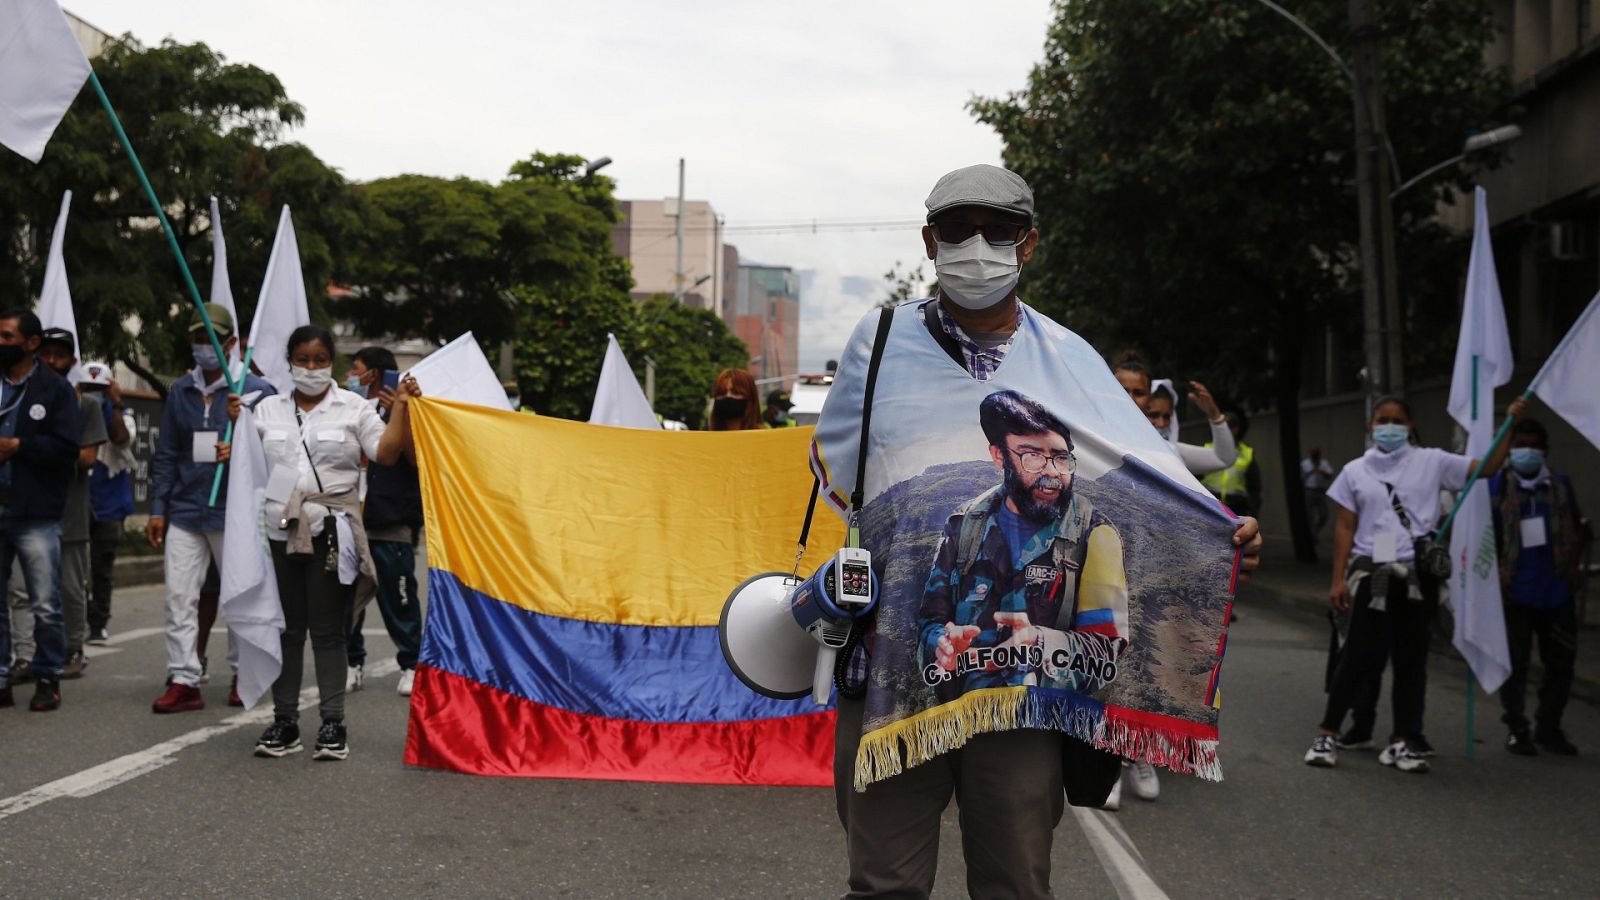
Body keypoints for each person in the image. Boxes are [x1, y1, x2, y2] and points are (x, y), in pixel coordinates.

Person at [821, 165, 1263, 897]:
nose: (976, 246)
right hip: (895, 661)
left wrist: (1220, 527)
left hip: (1022, 678)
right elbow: (841, 479)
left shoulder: (1071, 359)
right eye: (958, 230)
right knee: (883, 884)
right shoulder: (880, 342)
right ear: (929, 240)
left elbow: (1142, 473)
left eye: (997, 231)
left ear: (1028, 246)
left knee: (1016, 880)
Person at [225, 325, 419, 760]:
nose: (310, 368)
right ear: (289, 361)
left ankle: (333, 724)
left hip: (333, 532)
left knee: (329, 632)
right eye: (302, 360)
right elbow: (245, 466)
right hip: (278, 532)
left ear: (331, 362)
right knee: (287, 630)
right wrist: (232, 433)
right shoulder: (264, 411)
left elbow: (386, 454)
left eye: (319, 360)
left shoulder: (354, 408)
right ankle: (285, 721)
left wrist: (402, 408)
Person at [1304, 394, 1523, 774]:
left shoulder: (1432, 461)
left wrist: (1512, 425)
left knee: (1411, 661)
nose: (1389, 426)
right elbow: (1345, 527)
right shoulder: (1355, 471)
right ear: (1371, 426)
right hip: (1372, 574)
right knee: (1355, 657)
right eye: (1382, 419)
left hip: (1415, 578)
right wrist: (1337, 580)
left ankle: (1403, 741)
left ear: (1410, 426)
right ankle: (1327, 734)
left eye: (1397, 419)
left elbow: (1486, 469)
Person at [917, 390, 1128, 703]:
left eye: (1060, 457)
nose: (1052, 473)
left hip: (1047, 724)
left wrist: (1040, 644)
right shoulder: (964, 525)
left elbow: (1107, 650)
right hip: (964, 719)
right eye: (1032, 457)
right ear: (999, 455)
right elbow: (930, 622)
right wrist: (942, 645)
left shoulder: (1095, 534)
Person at [147, 304, 276, 713]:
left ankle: (244, 673)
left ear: (231, 342)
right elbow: (167, 453)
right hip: (186, 510)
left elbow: (274, 450)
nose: (204, 346)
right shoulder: (180, 391)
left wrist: (239, 447)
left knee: (239, 593)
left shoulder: (255, 389)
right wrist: (157, 508)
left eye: (212, 338)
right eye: (198, 338)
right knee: (179, 596)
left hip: (233, 512)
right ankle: (185, 677)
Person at [0, 309, 81, 712]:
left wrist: (19, 447)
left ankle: (48, 675)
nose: (1, 343)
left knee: (44, 601)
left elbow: (69, 450)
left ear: (30, 344)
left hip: (35, 511)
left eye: (7, 337)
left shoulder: (56, 390)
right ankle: (1, 678)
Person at [1491, 418, 1586, 756]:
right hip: (1514, 591)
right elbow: (1484, 535)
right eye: (1519, 445)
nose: (1526, 451)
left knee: (1560, 663)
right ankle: (1517, 727)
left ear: (1545, 449)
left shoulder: (1560, 485)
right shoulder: (1498, 486)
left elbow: (1577, 527)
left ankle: (1549, 727)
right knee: (1514, 664)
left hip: (1555, 591)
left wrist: (1573, 567)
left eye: (1533, 445)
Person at [343, 346, 425, 698]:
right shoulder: (347, 408)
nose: (350, 374)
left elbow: (416, 459)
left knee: (399, 596)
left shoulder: (409, 410)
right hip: (349, 518)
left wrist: (400, 417)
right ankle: (350, 662)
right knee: (345, 596)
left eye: (355, 368)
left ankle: (410, 665)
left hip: (389, 519)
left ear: (373, 374)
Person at [29, 329, 109, 680]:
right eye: (45, 354)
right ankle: (27, 653)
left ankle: (74, 648)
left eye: (58, 355)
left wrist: (38, 449)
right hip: (29, 509)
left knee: (70, 586)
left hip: (71, 512)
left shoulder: (87, 406)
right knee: (24, 589)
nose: (50, 361)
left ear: (72, 361)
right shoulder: (25, 400)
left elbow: (88, 458)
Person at [1112, 353, 1235, 475]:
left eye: (1167, 417)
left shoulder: (1171, 452)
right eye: (1154, 415)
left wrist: (1214, 415)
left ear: (1148, 399)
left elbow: (1223, 459)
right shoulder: (1097, 439)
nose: (1161, 423)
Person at [81, 361, 134, 645]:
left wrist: (113, 404)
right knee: (74, 569)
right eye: (89, 389)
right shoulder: (71, 413)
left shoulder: (122, 416)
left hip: (109, 505)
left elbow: (121, 440)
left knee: (101, 567)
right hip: (77, 503)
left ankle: (98, 623)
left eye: (99, 389)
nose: (93, 395)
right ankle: (75, 622)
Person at [1201, 410, 1261, 518]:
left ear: (1235, 430)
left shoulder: (1247, 453)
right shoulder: (1206, 450)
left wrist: (1253, 513)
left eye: (1226, 428)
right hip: (1210, 506)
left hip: (1236, 508)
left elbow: (1254, 488)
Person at [1301, 448, 1336, 535]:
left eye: (1317, 453)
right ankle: (1311, 535)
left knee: (1324, 514)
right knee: (1310, 515)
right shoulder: (1305, 463)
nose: (1315, 455)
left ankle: (1314, 532)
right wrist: (1311, 472)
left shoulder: (1324, 463)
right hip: (1309, 490)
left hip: (1320, 491)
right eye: (1314, 453)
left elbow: (1330, 475)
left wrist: (1322, 472)